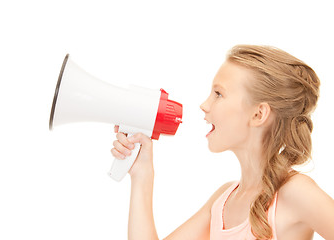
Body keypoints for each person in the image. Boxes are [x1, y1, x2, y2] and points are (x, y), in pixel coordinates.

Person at [111, 45, 334, 240]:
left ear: (258, 114)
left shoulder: (296, 192)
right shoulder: (223, 200)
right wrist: (142, 174)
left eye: (218, 94)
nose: (204, 105)